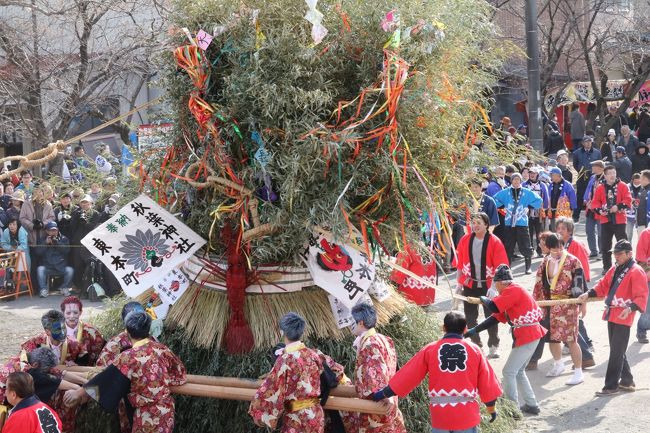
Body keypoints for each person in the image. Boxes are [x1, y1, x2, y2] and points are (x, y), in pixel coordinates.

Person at [371, 312, 502, 433]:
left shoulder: (431, 349)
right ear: (465, 329)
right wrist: (491, 408)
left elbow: (408, 376)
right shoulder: (475, 350)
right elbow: (487, 382)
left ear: (444, 328)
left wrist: (382, 394)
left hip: (441, 414)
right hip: (466, 414)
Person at [63, 311, 187, 433]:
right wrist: (160, 381)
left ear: (126, 331)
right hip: (166, 411)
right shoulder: (162, 348)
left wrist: (78, 393)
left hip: (147, 416)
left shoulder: (128, 356)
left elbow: (106, 378)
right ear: (148, 330)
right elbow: (179, 372)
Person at [465, 264, 546, 415]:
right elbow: (495, 318)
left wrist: (484, 299)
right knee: (518, 371)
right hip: (529, 334)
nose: (494, 286)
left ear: (501, 282)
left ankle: (512, 409)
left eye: (495, 283)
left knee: (508, 372)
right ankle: (531, 404)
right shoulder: (509, 293)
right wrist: (474, 331)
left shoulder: (513, 290)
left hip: (528, 334)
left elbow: (494, 307)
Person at [248, 312, 348, 433]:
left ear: (282, 332)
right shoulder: (314, 354)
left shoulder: (284, 359)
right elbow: (335, 371)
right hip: (315, 415)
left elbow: (271, 387)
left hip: (296, 418)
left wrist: (257, 412)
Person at [577, 240, 649, 396]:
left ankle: (611, 386)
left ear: (630, 254)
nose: (616, 256)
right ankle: (627, 381)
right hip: (613, 312)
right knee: (618, 350)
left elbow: (641, 295)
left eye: (619, 253)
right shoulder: (615, 267)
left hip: (624, 314)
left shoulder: (636, 271)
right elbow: (603, 284)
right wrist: (588, 294)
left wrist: (631, 308)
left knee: (616, 351)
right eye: (615, 253)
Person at [529, 233, 585, 385]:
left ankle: (579, 372)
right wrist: (537, 304)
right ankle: (558, 363)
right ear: (548, 248)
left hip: (568, 305)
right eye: (554, 248)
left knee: (571, 339)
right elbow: (539, 285)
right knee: (552, 338)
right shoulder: (545, 262)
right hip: (549, 306)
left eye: (560, 247)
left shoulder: (573, 261)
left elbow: (580, 283)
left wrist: (582, 303)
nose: (558, 251)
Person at [455, 212, 509, 358]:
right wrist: (458, 284)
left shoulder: (495, 241)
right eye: (473, 222)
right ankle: (476, 345)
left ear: (486, 224)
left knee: (491, 316)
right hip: (470, 283)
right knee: (470, 317)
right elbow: (460, 264)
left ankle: (493, 344)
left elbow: (501, 266)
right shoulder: (465, 240)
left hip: (489, 284)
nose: (475, 225)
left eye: (479, 222)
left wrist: (493, 287)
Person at [350, 304, 406, 433]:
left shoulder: (370, 344)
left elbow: (375, 378)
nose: (349, 325)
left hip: (379, 404)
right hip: (388, 397)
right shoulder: (384, 339)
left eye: (351, 321)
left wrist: (379, 395)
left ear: (361, 323)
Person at [95, 302, 146, 433]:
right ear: (125, 320)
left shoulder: (152, 340)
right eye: (132, 317)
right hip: (126, 395)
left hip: (147, 398)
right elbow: (101, 368)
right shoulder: (116, 343)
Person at [555, 218, 596, 366]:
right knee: (572, 318)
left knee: (574, 318)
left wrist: (582, 291)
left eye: (563, 229)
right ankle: (580, 346)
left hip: (576, 287)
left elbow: (582, 266)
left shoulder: (576, 245)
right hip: (564, 288)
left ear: (570, 231)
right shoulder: (561, 245)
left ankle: (586, 348)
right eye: (558, 228)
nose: (559, 231)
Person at [493, 172, 542, 274]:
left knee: (525, 245)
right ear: (511, 181)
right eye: (514, 179)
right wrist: (502, 206)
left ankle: (528, 267)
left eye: (518, 179)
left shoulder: (527, 192)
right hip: (508, 222)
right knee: (508, 245)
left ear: (520, 181)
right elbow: (494, 200)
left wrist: (529, 206)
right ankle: (508, 268)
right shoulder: (505, 192)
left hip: (522, 222)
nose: (516, 181)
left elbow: (539, 201)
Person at [592, 165, 632, 273]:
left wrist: (618, 207)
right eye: (609, 173)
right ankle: (607, 267)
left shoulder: (623, 186)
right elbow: (595, 203)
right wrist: (600, 210)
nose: (612, 175)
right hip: (605, 220)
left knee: (623, 244)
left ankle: (626, 266)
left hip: (620, 220)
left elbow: (628, 200)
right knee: (605, 245)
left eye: (613, 173)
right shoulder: (600, 187)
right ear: (604, 175)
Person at [60, 296, 105, 366]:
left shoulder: (91, 332)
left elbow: (100, 353)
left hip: (84, 370)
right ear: (63, 313)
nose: (72, 316)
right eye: (68, 313)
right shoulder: (55, 331)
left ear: (80, 312)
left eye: (75, 312)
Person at [70, 195, 102, 289]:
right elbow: (72, 227)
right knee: (77, 265)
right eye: (82, 203)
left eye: (86, 202)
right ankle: (78, 286)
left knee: (89, 265)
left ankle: (89, 287)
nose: (84, 205)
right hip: (77, 242)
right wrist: (76, 217)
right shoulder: (76, 212)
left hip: (89, 243)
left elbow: (93, 227)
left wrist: (85, 222)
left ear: (91, 203)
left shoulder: (95, 213)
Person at [33, 221, 74, 298]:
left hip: (61, 266)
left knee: (70, 270)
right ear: (47, 231)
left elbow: (67, 251)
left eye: (54, 230)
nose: (53, 232)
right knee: (40, 269)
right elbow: (38, 252)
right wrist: (45, 243)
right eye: (51, 230)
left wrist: (57, 243)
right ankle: (43, 289)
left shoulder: (64, 238)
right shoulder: (43, 239)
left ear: (57, 230)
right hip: (48, 266)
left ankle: (64, 287)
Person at [572, 136, 601, 221]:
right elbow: (575, 164)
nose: (588, 143)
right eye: (586, 142)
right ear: (583, 143)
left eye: (589, 142)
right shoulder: (577, 153)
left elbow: (599, 163)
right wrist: (581, 171)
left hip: (593, 176)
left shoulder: (597, 152)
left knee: (594, 194)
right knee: (580, 195)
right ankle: (576, 215)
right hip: (582, 176)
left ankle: (594, 214)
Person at [523, 167, 549, 256]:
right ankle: (529, 250)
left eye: (534, 173)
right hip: (527, 212)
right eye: (530, 173)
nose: (532, 175)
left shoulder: (542, 185)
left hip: (539, 213)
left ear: (537, 174)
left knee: (540, 233)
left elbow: (546, 198)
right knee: (528, 232)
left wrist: (544, 209)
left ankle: (540, 250)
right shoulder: (524, 185)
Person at [583, 160, 605, 257]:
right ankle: (593, 250)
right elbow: (588, 189)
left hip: (600, 209)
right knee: (589, 230)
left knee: (601, 232)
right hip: (590, 208)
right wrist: (585, 200)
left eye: (593, 166)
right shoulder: (592, 177)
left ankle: (602, 251)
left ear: (599, 167)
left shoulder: (605, 178)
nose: (592, 168)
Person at [546, 167, 577, 231]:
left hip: (564, 213)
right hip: (553, 211)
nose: (550, 177)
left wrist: (572, 208)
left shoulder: (568, 185)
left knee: (563, 230)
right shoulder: (550, 185)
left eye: (552, 175)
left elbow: (573, 198)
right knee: (554, 231)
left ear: (557, 175)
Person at [634, 227, 650, 343]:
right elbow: (640, 257)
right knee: (648, 308)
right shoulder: (646, 234)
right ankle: (641, 330)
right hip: (648, 276)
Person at [626, 174, 642, 241]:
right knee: (628, 234)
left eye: (639, 182)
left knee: (641, 235)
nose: (637, 183)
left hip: (641, 214)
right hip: (629, 213)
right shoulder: (627, 186)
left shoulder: (644, 187)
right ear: (632, 180)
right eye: (635, 182)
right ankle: (628, 250)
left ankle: (641, 250)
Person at [637, 170, 650, 235]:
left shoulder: (648, 191)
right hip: (641, 223)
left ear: (645, 179)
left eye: (641, 178)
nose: (640, 181)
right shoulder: (643, 189)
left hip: (646, 224)